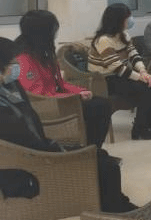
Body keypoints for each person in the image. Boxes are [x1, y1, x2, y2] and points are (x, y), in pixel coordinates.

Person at [0, 37, 136, 212]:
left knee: (100, 153)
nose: (16, 66)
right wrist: (57, 150)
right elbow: (22, 140)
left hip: (38, 148)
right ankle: (116, 210)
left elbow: (33, 122)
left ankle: (114, 204)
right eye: (12, 62)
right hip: (26, 166)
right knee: (106, 165)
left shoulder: (11, 86)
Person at [15, 10, 112, 148]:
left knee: (100, 103)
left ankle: (92, 148)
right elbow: (39, 96)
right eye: (54, 29)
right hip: (44, 107)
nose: (55, 33)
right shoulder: (24, 59)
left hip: (57, 100)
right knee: (99, 107)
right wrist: (73, 98)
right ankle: (90, 149)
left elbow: (59, 83)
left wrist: (79, 91)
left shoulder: (43, 53)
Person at [88, 3, 151, 140]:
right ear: (117, 20)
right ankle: (139, 129)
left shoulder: (123, 35)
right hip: (104, 80)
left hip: (120, 75)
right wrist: (140, 77)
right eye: (127, 17)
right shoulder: (103, 40)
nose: (130, 20)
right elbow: (116, 67)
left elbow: (134, 56)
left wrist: (144, 72)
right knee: (144, 87)